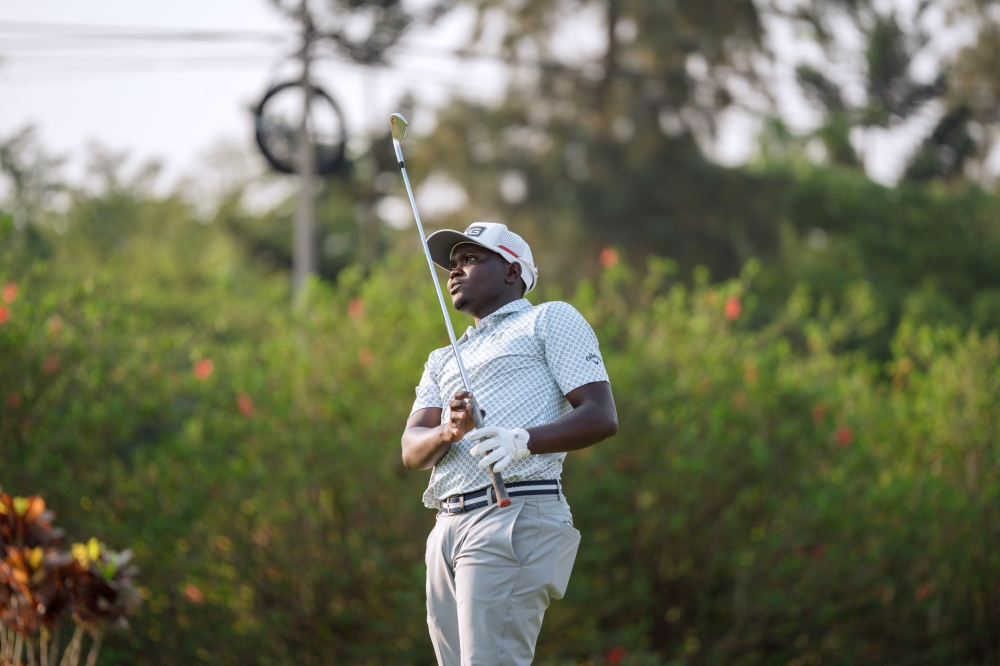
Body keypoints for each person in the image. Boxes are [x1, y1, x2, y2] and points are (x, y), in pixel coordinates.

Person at [401, 222, 618, 666]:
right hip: (446, 528)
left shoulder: (549, 319)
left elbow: (601, 415)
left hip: (514, 512)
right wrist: (447, 431)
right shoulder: (442, 358)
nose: (455, 271)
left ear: (512, 272)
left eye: (471, 259)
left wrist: (521, 440)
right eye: (453, 263)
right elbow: (411, 449)